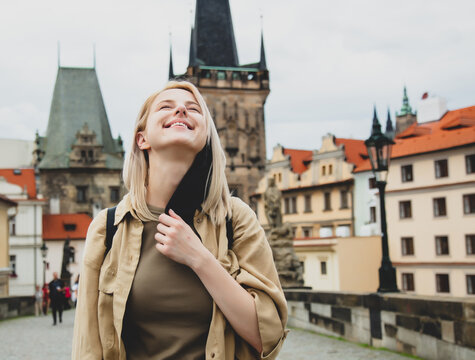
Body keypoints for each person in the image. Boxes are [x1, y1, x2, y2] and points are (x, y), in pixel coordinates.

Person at [72, 81, 288, 359]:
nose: (181, 110)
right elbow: (88, 346)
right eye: (166, 106)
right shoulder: (108, 228)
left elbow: (267, 338)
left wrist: (199, 258)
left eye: (193, 108)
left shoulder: (235, 218)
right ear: (142, 139)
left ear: (206, 136)